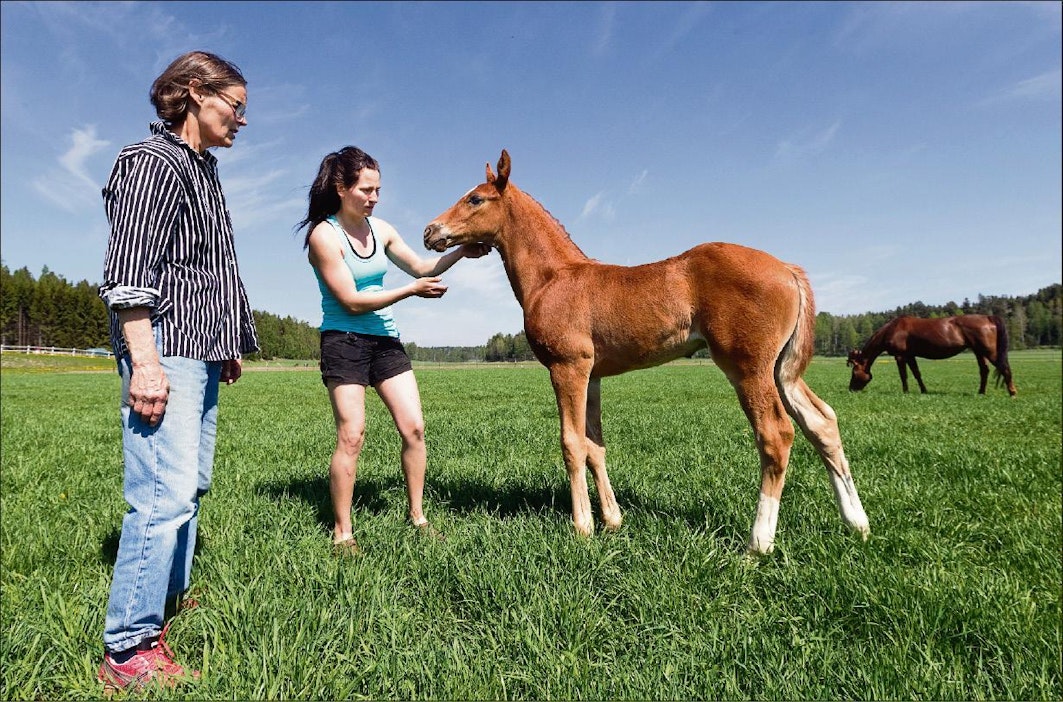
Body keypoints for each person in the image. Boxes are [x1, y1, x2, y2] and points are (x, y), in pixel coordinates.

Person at [96, 50, 259, 692]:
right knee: (161, 497)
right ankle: (127, 649)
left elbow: (203, 267)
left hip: (201, 351)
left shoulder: (202, 170)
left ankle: (164, 607)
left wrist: (227, 340)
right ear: (196, 93)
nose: (242, 120)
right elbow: (131, 270)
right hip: (165, 350)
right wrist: (146, 364)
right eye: (235, 106)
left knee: (189, 485)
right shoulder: (151, 163)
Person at [297, 146, 489, 551]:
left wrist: (460, 252)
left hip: (385, 341)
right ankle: (343, 533)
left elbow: (422, 268)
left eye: (378, 189)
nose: (374, 197)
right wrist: (410, 292)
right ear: (340, 187)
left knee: (414, 428)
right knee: (352, 435)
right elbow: (349, 300)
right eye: (366, 189)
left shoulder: (381, 229)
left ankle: (418, 517)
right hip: (343, 342)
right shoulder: (323, 236)